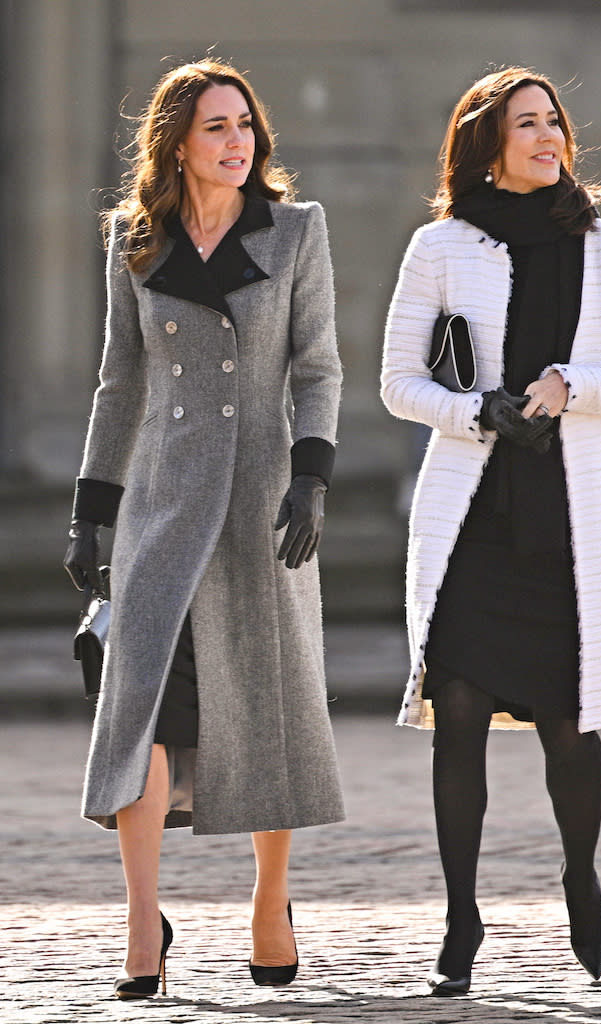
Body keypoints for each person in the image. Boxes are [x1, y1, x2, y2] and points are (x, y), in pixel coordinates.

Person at [63, 58, 345, 999]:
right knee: (138, 702)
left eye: (246, 127)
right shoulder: (131, 237)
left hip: (266, 504)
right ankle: (144, 924)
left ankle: (271, 901)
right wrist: (90, 509)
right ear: (178, 141)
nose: (238, 143)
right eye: (218, 127)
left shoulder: (295, 230)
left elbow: (316, 368)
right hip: (163, 502)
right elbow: (119, 381)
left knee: (268, 706)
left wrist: (310, 482)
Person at [381, 67, 601, 996]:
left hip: (564, 526)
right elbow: (395, 384)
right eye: (525, 123)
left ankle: (580, 881)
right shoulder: (440, 246)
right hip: (472, 523)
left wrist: (566, 387)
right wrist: (475, 409)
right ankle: (460, 918)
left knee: (570, 729)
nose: (546, 136)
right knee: (453, 715)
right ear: (486, 144)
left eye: (553, 122)